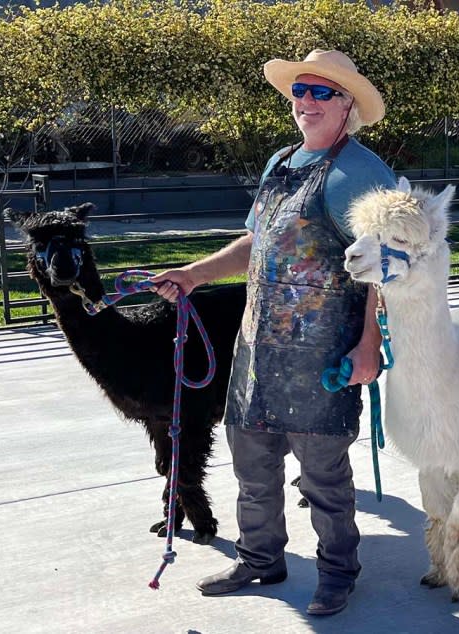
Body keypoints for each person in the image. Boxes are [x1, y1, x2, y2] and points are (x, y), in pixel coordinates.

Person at [151, 49, 396, 616]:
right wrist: (194, 274)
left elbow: (384, 263)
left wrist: (369, 343)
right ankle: (261, 558)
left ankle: (338, 571)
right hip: (257, 351)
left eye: (322, 92)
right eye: (300, 90)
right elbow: (257, 243)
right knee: (252, 466)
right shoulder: (281, 163)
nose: (306, 101)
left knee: (323, 477)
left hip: (323, 355)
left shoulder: (360, 174)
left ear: (348, 105)